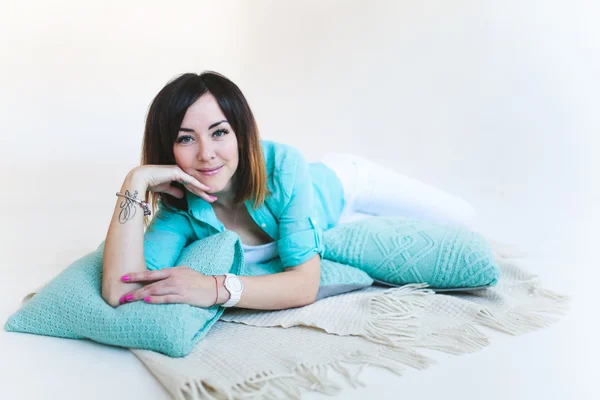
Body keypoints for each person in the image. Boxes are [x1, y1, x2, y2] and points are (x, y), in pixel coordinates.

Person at [101, 71, 477, 310]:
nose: (206, 154)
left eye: (219, 132)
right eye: (186, 139)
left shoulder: (283, 166)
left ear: (241, 133)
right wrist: (134, 182)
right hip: (325, 220)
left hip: (347, 186)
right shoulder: (181, 210)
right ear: (168, 150)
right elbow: (120, 291)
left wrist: (214, 289)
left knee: (464, 220)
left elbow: (303, 284)